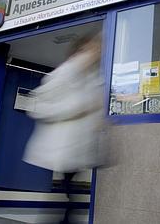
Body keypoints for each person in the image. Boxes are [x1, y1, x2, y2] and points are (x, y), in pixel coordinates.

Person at [23, 32, 106, 224]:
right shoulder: (65, 73)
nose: (97, 52)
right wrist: (74, 108)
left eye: (98, 49)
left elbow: (94, 112)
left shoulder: (94, 79)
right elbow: (35, 105)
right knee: (61, 201)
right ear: (81, 51)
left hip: (78, 154)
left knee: (68, 202)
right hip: (60, 152)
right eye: (93, 48)